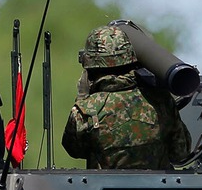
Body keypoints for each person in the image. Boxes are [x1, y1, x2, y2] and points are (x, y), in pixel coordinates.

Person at [61, 24, 192, 170]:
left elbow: (74, 150)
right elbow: (180, 153)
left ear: (90, 66)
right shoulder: (161, 100)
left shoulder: (85, 110)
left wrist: (82, 98)